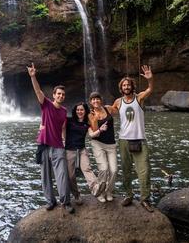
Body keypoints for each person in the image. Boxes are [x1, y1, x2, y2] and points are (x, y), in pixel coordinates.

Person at [27, 63, 74, 214]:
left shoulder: (65, 111)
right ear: (54, 95)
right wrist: (33, 76)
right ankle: (50, 201)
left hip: (58, 146)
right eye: (58, 93)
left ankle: (65, 202)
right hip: (43, 144)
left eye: (63, 94)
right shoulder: (46, 104)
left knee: (62, 175)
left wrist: (65, 140)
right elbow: (38, 91)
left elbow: (63, 128)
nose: (60, 96)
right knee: (45, 176)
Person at [111, 65, 154, 212]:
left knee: (144, 170)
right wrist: (96, 107)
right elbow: (110, 111)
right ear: (121, 88)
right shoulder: (118, 102)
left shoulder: (139, 98)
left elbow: (150, 90)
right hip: (124, 140)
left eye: (128, 84)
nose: (126, 86)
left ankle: (145, 199)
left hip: (139, 139)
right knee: (126, 170)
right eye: (124, 85)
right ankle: (128, 195)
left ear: (132, 86)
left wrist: (150, 80)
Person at [65, 102, 106, 205]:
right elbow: (60, 128)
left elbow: (92, 134)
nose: (80, 111)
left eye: (82, 110)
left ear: (85, 111)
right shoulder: (69, 121)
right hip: (69, 150)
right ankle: (77, 195)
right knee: (70, 176)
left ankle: (96, 188)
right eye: (78, 110)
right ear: (75, 111)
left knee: (87, 169)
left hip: (82, 150)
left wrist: (100, 130)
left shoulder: (87, 123)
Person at [88, 92, 117, 203]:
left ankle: (108, 191)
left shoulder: (108, 109)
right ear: (91, 102)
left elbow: (120, 109)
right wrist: (96, 121)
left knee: (114, 170)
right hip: (98, 144)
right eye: (93, 100)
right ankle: (100, 192)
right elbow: (95, 132)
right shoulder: (90, 115)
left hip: (111, 144)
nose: (95, 101)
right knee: (104, 169)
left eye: (97, 99)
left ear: (101, 100)